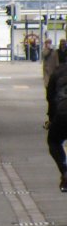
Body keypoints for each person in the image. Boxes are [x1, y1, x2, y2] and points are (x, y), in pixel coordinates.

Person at [44, 59, 67, 191]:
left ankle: (64, 171)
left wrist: (51, 119)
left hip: (63, 113)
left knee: (53, 141)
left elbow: (50, 98)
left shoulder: (58, 72)